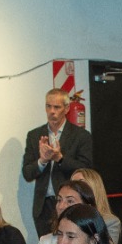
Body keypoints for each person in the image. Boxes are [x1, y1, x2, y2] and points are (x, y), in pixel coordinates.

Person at [22, 89, 94, 235]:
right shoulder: (34, 135)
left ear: (67, 109)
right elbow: (27, 173)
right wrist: (42, 161)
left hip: (69, 204)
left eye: (57, 107)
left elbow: (86, 170)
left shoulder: (81, 136)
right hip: (43, 207)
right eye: (48, 106)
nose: (52, 111)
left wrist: (60, 159)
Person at [70, 167, 122, 244]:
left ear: (94, 188)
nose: (74, 189)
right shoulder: (64, 221)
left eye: (80, 184)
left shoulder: (110, 222)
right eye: (72, 185)